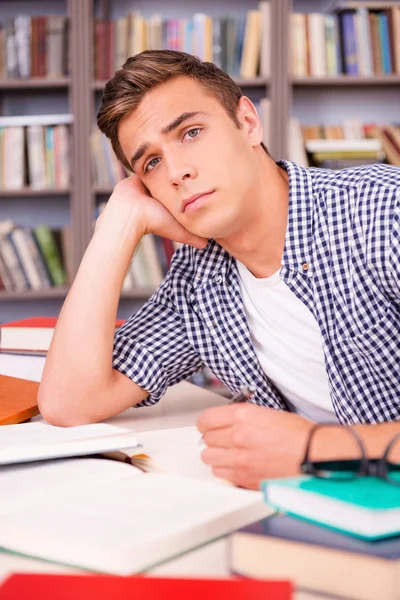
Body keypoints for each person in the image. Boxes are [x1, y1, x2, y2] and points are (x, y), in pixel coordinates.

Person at [38, 50, 400, 490]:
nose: (176, 172)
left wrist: (314, 447)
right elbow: (68, 403)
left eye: (191, 133)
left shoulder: (382, 212)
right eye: (150, 163)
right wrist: (118, 224)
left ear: (247, 122)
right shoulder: (198, 280)